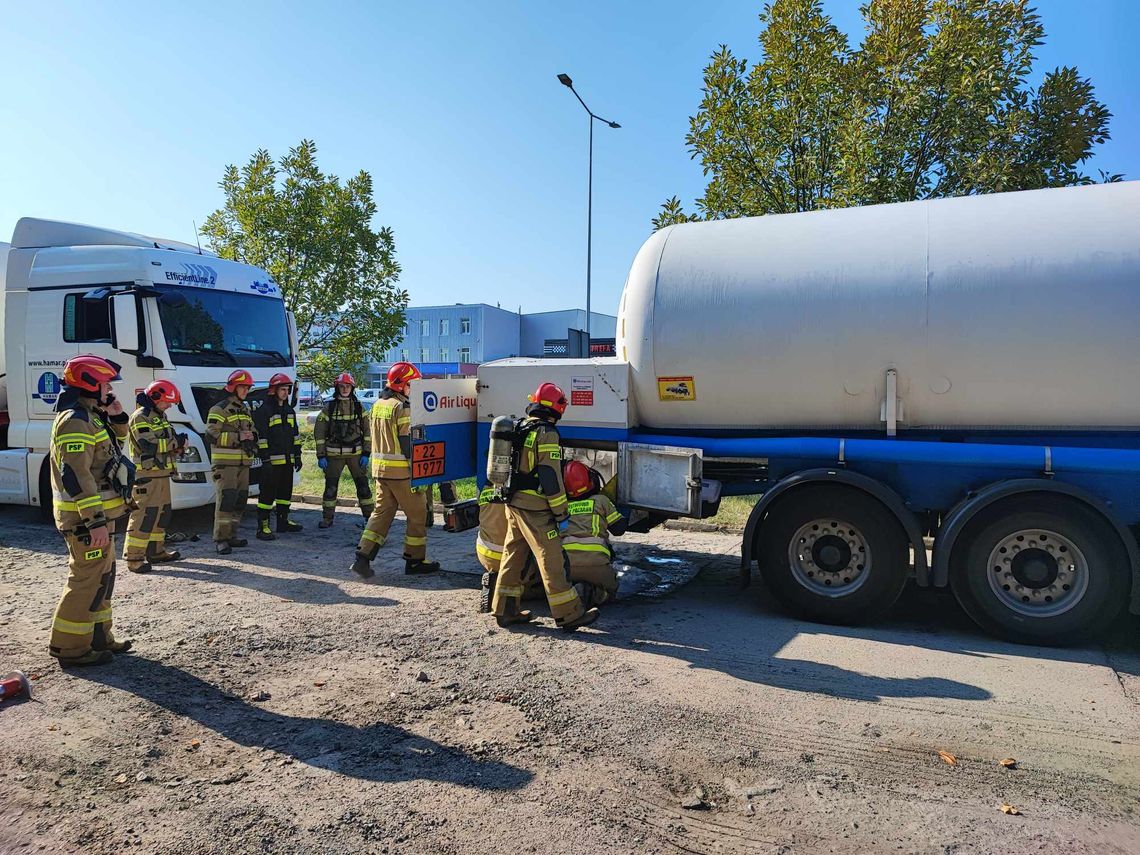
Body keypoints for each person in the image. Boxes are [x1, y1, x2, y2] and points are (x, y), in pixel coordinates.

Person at [490, 382, 598, 632]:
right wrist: (561, 512)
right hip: (535, 509)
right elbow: (550, 476)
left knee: (513, 556)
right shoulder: (546, 433)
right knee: (551, 558)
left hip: (514, 503)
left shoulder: (521, 426)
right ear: (556, 407)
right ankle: (568, 614)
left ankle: (505, 610)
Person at [48, 355, 132, 666]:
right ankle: (70, 648)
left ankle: (99, 638)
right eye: (106, 383)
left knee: (103, 577)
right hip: (85, 522)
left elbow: (115, 445)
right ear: (90, 383)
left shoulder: (92, 416)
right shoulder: (74, 420)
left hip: (99, 520)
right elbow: (77, 475)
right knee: (85, 580)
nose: (110, 388)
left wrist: (116, 414)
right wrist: (95, 521)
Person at [350, 362, 442, 577]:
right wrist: (419, 471)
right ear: (402, 385)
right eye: (412, 384)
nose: (414, 388)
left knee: (381, 514)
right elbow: (407, 443)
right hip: (402, 473)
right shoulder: (403, 407)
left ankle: (362, 557)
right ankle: (415, 560)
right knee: (418, 514)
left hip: (381, 471)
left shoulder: (378, 404)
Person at [123, 380, 186, 574]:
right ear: (156, 397)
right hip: (146, 476)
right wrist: (176, 442)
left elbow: (165, 443)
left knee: (162, 514)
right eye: (167, 402)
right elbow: (148, 445)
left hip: (161, 474)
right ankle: (134, 558)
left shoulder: (160, 416)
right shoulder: (140, 417)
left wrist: (177, 447)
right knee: (144, 516)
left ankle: (156, 552)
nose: (169, 406)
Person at [559, 460, 627, 608]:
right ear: (591, 481)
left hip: (566, 566)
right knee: (612, 589)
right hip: (597, 564)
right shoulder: (601, 501)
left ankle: (574, 590)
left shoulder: (562, 504)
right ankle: (597, 594)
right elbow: (619, 529)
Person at [205, 369, 258, 555]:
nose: (246, 391)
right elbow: (211, 434)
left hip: (243, 464)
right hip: (225, 464)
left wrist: (253, 436)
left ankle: (232, 535)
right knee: (226, 501)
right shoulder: (219, 409)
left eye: (247, 388)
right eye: (243, 387)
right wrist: (238, 436)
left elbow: (253, 430)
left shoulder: (244, 409)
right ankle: (221, 539)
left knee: (240, 500)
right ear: (233, 387)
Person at [314, 372, 373, 528]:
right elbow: (319, 432)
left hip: (356, 455)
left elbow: (368, 432)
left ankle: (370, 518)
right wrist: (321, 455)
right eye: (342, 386)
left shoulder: (359, 407)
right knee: (330, 488)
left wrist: (366, 453)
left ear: (352, 388)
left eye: (348, 386)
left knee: (363, 488)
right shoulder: (329, 407)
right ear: (337, 387)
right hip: (334, 456)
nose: (345, 389)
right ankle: (327, 518)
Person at [252, 373, 304, 540]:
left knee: (285, 493)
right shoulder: (264, 411)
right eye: (282, 389)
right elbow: (262, 437)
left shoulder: (289, 411)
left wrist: (298, 455)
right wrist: (265, 459)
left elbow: (295, 435)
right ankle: (263, 527)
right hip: (271, 463)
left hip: (287, 461)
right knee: (267, 494)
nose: (285, 393)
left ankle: (283, 522)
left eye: (287, 389)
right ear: (273, 390)